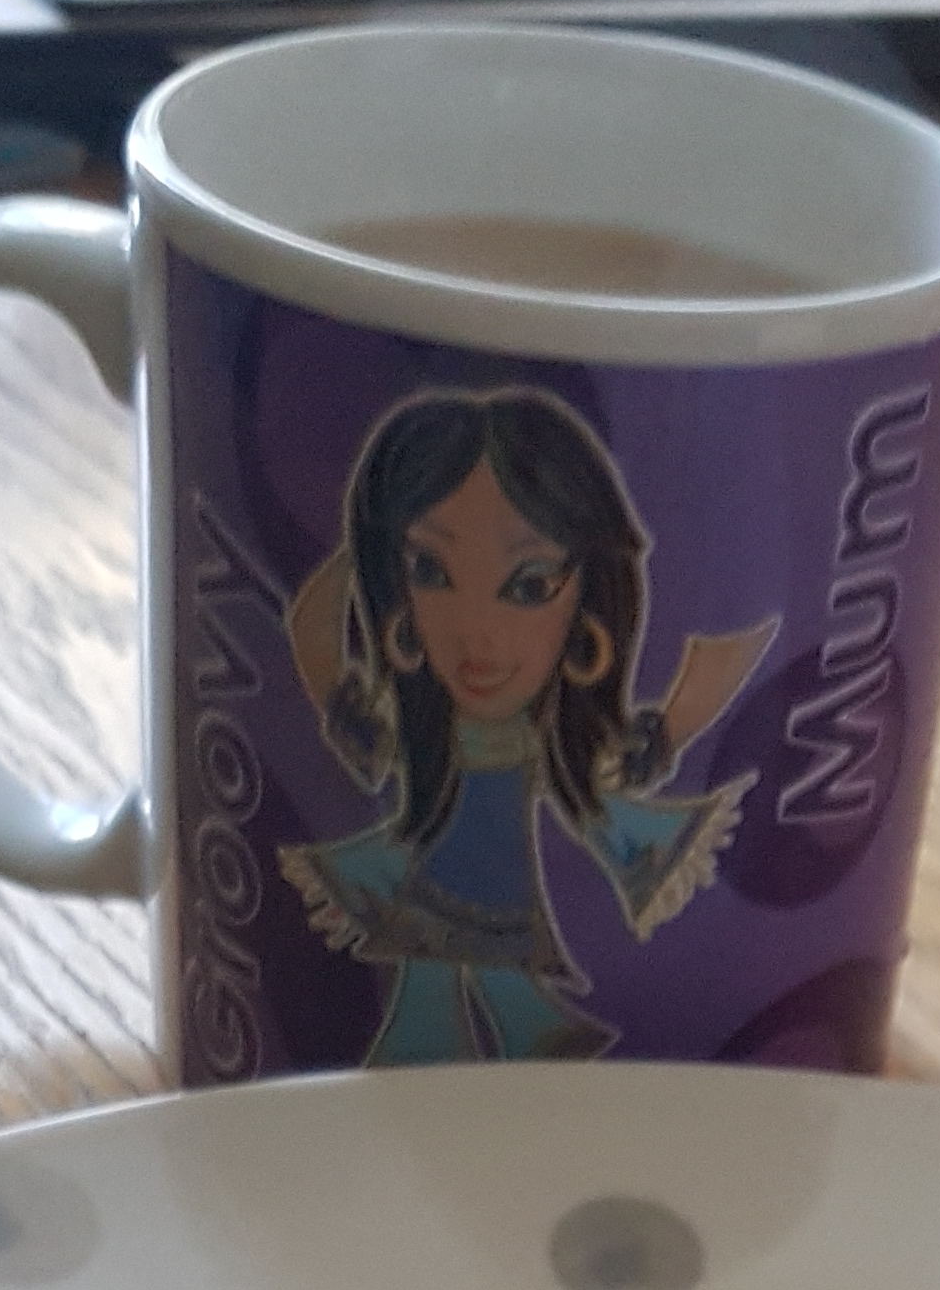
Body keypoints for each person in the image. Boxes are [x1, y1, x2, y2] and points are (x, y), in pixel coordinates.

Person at [280, 387, 772, 1065]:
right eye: (429, 571)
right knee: (442, 972)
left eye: (529, 585)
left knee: (447, 966)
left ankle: (495, 1066)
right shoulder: (412, 728)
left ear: (588, 597)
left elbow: (622, 754)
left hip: (483, 867)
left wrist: (654, 743)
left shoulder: (554, 742)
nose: (477, 634)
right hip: (452, 857)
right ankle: (506, 1064)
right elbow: (315, 641)